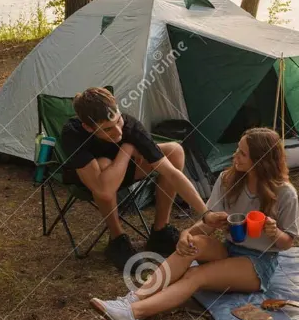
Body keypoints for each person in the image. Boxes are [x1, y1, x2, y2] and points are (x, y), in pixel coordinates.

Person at [90, 127, 299, 320]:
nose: (236, 155)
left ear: (261, 160)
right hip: (230, 248)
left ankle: (132, 314)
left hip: (259, 263)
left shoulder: (284, 193)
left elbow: (287, 243)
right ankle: (132, 299)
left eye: (243, 153)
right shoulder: (228, 179)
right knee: (194, 243)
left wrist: (274, 232)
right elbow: (208, 223)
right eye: (237, 149)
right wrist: (185, 234)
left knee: (196, 274)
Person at [61, 87, 208, 269]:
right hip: (92, 181)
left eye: (118, 120)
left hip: (124, 171)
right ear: (88, 127)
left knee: (174, 151)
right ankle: (117, 239)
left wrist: (206, 213)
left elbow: (171, 173)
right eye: (107, 129)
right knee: (104, 163)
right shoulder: (73, 133)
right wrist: (127, 149)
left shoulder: (130, 126)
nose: (118, 132)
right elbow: (103, 190)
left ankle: (160, 231)